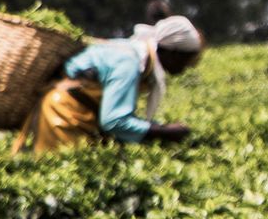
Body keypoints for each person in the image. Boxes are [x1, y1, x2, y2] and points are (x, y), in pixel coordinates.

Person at [12, 15, 204, 155]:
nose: (187, 67)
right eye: (186, 60)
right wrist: (164, 133)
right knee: (60, 172)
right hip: (65, 115)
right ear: (172, 53)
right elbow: (114, 121)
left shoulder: (132, 54)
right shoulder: (128, 63)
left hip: (76, 113)